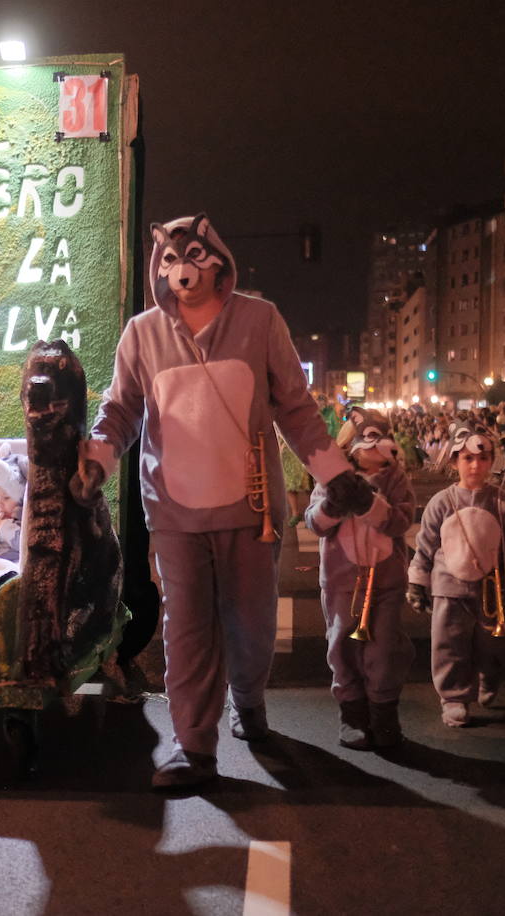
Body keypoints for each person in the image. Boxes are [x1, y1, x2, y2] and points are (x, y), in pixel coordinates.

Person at [74, 213, 375, 790]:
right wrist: (99, 459)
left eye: (192, 256)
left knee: (252, 624)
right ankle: (194, 749)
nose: (181, 271)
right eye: (169, 259)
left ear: (217, 259)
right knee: (185, 629)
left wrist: (333, 473)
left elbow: (296, 408)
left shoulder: (259, 320)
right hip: (175, 512)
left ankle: (249, 698)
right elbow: (121, 409)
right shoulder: (142, 333)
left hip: (251, 512)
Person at [407, 426, 505, 728]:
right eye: (467, 459)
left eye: (483, 458)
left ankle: (489, 674)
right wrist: (417, 581)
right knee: (449, 643)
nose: (475, 466)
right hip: (449, 587)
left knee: (493, 644)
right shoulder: (441, 502)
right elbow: (425, 545)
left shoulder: (503, 504)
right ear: (454, 462)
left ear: (492, 461)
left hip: (491, 590)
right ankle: (453, 698)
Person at [304, 424, 415, 750]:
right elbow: (314, 522)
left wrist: (369, 503)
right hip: (342, 582)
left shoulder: (395, 478)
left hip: (385, 582)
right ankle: (352, 715)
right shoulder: (331, 477)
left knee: (383, 650)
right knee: (341, 646)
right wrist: (334, 505)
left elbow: (401, 521)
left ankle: (384, 715)